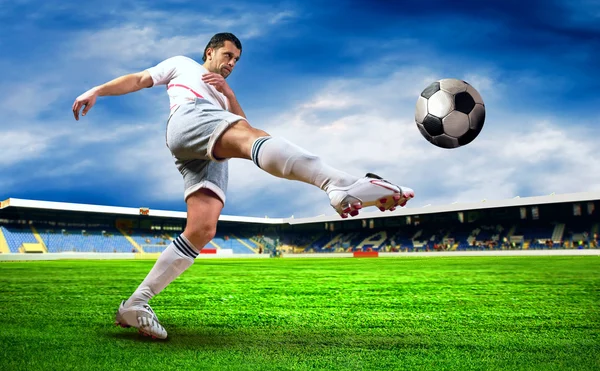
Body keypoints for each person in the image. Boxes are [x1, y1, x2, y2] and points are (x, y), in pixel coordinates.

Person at [72, 32, 414, 339]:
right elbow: (140, 79)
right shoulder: (182, 65)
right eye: (227, 55)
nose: (232, 63)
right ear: (209, 52)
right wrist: (97, 90)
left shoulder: (223, 96)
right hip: (191, 119)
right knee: (256, 140)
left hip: (209, 151)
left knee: (202, 228)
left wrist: (227, 93)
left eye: (236, 60)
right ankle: (338, 183)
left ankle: (136, 303)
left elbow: (244, 124)